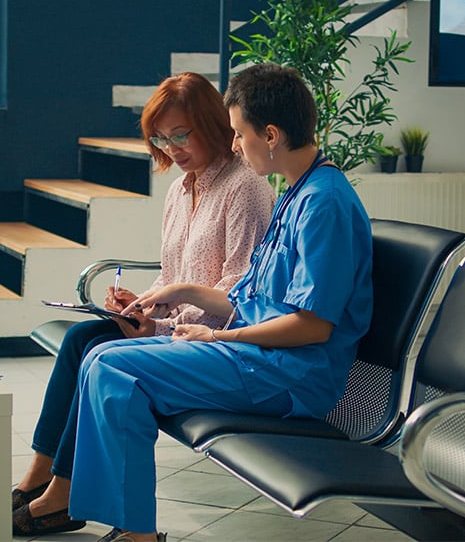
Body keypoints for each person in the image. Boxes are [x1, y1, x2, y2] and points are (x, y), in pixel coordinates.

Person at [67, 63, 374, 542]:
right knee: (99, 357)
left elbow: (312, 327)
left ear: (269, 134)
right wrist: (180, 291)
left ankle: (135, 534)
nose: (233, 145)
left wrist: (216, 335)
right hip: (256, 359)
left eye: (238, 133)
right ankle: (130, 527)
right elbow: (254, 299)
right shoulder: (298, 192)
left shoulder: (324, 204)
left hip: (288, 376)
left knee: (113, 370)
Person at [11, 72, 277, 536]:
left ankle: (61, 494)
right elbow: (173, 274)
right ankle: (43, 474)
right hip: (175, 327)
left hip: (212, 339)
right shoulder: (180, 189)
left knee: (99, 355)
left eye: (180, 135)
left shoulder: (244, 189)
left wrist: (159, 325)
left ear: (213, 124)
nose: (171, 148)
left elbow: (239, 296)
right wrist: (143, 305)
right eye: (160, 138)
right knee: (80, 339)